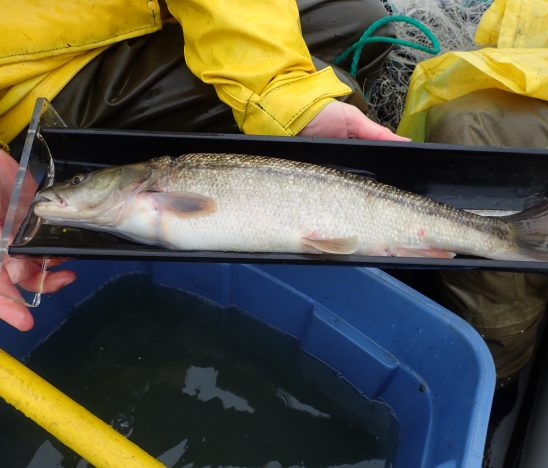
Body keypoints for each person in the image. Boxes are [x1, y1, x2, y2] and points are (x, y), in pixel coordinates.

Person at [0, 0, 408, 331]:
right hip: (22, 89)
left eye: (81, 181)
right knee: (337, 78)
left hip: (130, 16)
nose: (77, 185)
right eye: (80, 180)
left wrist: (285, 94)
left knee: (362, 18)